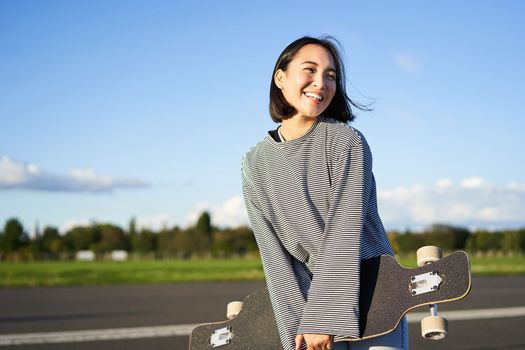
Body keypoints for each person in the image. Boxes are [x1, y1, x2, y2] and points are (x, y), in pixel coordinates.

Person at [241, 36, 408, 350]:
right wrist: (295, 332)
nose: (321, 83)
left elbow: (344, 230)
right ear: (280, 78)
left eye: (330, 76)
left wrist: (323, 316)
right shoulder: (254, 163)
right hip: (311, 307)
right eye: (310, 70)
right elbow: (275, 257)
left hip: (374, 293)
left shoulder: (346, 142)